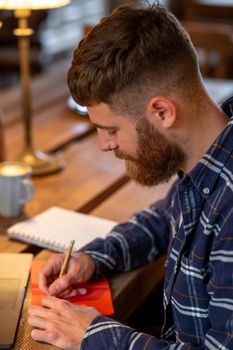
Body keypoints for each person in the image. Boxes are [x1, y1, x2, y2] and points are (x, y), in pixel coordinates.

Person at [27, 2, 233, 349]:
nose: (104, 145)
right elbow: (163, 218)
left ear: (162, 112)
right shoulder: (210, 159)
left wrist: (93, 335)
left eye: (110, 129)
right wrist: (93, 257)